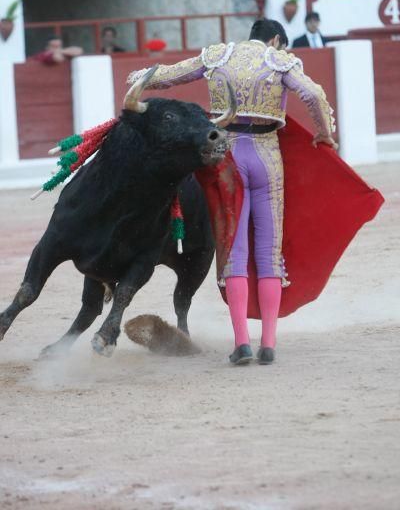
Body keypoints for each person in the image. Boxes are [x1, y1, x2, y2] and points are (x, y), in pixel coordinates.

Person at [126, 18, 336, 365]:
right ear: (275, 40)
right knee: (268, 252)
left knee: (234, 251)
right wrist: (323, 133)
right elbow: (312, 95)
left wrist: (138, 79)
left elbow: (167, 74)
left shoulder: (217, 56)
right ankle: (268, 343)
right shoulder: (280, 60)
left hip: (227, 157)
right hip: (267, 156)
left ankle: (241, 343)